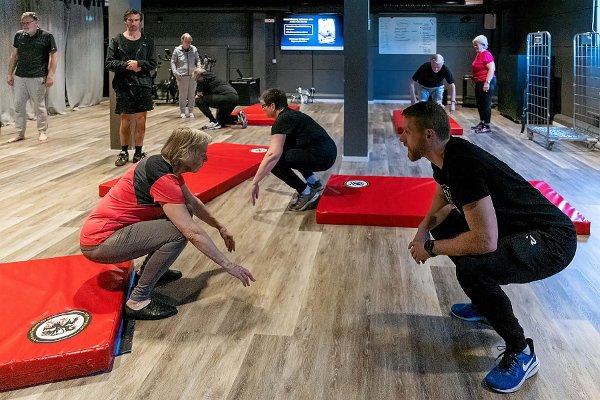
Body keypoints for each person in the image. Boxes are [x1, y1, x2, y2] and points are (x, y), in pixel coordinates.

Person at [399, 101, 577, 393]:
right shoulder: (446, 157)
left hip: (552, 239)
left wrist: (431, 248)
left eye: (407, 131)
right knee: (445, 225)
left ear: (428, 135)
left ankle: (521, 351)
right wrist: (422, 232)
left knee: (473, 271)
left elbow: (485, 241)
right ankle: (485, 305)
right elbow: (442, 200)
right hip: (516, 230)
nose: (402, 137)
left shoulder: (463, 165)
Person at [80, 127, 255, 320]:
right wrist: (228, 264)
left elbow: (192, 203)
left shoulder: (163, 166)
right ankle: (137, 301)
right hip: (99, 242)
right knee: (178, 231)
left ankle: (146, 271)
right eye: (202, 154)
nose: (205, 159)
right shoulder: (163, 178)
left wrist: (220, 227)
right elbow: (192, 233)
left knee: (184, 211)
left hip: (112, 234)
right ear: (186, 152)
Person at [251, 88, 337, 211]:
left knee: (275, 162)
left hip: (322, 157)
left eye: (263, 106)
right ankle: (313, 182)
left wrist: (255, 182)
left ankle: (306, 192)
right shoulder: (290, 115)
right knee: (286, 147)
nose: (262, 109)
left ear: (272, 105)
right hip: (328, 152)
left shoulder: (282, 120)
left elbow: (272, 155)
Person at [106, 9, 157, 167]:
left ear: (140, 21)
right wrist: (127, 65)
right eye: (130, 20)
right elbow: (109, 62)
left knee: (141, 120)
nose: (133, 23)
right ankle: (123, 151)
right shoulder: (116, 41)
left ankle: (138, 152)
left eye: (136, 20)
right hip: (124, 85)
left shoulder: (148, 40)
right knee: (126, 120)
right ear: (125, 21)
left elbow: (153, 63)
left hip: (143, 84)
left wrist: (139, 64)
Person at [6, 11, 58, 143]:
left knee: (39, 106)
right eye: (23, 23)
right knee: (18, 105)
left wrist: (50, 75)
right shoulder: (19, 35)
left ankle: (42, 131)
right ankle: (20, 133)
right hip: (20, 76)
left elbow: (54, 57)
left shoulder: (46, 36)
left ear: (35, 22)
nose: (24, 25)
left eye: (27, 22)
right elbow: (14, 55)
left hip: (38, 76)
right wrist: (9, 73)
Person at [171, 33, 201, 119]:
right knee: (183, 95)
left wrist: (198, 68)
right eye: (186, 41)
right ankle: (182, 112)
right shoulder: (177, 50)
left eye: (190, 41)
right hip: (181, 76)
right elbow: (173, 62)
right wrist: (175, 72)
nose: (188, 43)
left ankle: (191, 112)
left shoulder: (194, 49)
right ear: (182, 41)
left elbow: (198, 60)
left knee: (192, 95)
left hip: (193, 75)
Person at [471, 35, 496, 133]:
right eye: (474, 45)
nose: (475, 47)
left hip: (486, 81)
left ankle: (487, 125)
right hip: (479, 81)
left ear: (483, 44)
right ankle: (482, 122)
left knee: (485, 104)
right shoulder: (479, 54)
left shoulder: (486, 54)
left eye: (476, 45)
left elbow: (492, 69)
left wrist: (487, 82)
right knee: (480, 104)